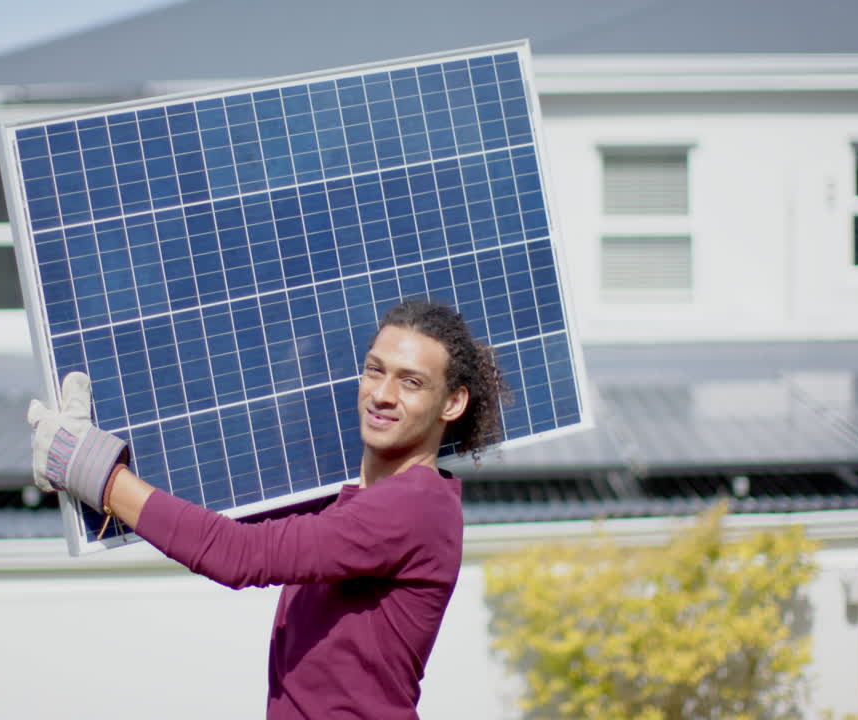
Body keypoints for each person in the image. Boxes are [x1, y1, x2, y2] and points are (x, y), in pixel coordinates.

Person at [27, 298, 507, 719]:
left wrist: (94, 471)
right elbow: (219, 517)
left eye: (412, 382)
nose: (382, 394)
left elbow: (239, 554)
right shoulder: (359, 504)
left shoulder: (413, 506)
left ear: (453, 403)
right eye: (375, 369)